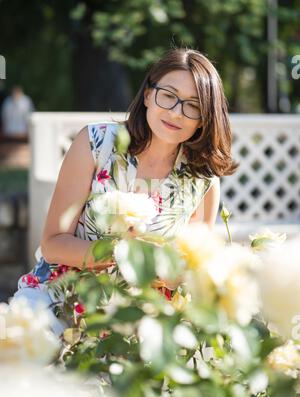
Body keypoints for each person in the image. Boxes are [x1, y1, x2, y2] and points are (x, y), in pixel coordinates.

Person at [11, 48, 238, 336]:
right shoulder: (96, 143)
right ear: (147, 95)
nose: (176, 112)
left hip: (139, 320)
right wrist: (121, 254)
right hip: (61, 298)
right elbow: (53, 244)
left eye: (192, 105)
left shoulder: (203, 181)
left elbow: (188, 267)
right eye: (168, 95)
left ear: (204, 119)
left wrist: (176, 274)